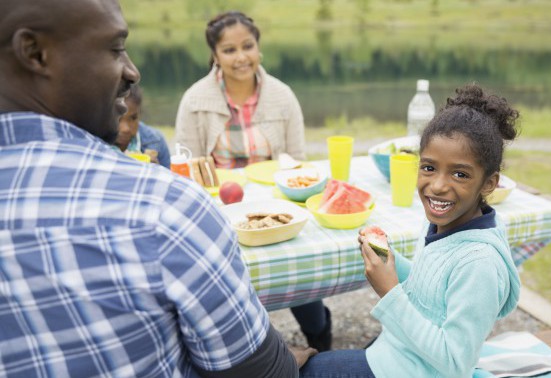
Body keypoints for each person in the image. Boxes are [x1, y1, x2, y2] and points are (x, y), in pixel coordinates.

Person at [0, 0, 315, 377]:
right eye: (116, 48)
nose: (132, 72)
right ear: (35, 53)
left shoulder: (281, 95)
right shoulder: (162, 207)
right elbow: (265, 373)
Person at [299, 84, 522, 378]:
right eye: (429, 168)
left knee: (300, 370)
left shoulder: (479, 264)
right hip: (396, 356)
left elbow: (455, 363)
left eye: (460, 174)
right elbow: (429, 287)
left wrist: (388, 291)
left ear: (489, 183)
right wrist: (389, 258)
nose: (438, 185)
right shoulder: (442, 222)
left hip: (411, 370)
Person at [175, 11, 332, 351]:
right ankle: (246, 349)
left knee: (300, 270)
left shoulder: (282, 95)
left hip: (278, 204)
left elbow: (296, 161)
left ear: (258, 47)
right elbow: (187, 166)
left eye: (248, 46)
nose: (241, 57)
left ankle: (320, 338)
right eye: (229, 50)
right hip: (224, 209)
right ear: (215, 56)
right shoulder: (195, 100)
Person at [115, 84, 171, 168]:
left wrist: (158, 172)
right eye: (118, 118)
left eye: (133, 118)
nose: (125, 129)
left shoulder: (156, 141)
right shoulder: (93, 147)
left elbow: (170, 177)